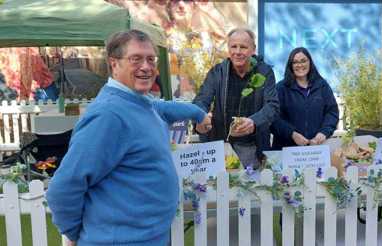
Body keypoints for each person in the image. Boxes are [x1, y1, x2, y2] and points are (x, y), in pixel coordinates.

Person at [46, 29, 212, 246]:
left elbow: (163, 107)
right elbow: (64, 187)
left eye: (151, 59)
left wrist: (197, 113)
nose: (146, 67)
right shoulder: (109, 115)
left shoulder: (139, 102)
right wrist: (76, 234)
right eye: (136, 59)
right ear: (114, 64)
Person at [193, 27, 280, 170]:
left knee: (255, 189)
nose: (238, 52)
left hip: (254, 148)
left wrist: (254, 121)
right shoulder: (218, 72)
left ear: (253, 49)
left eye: (243, 47)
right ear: (228, 48)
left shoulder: (265, 72)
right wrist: (200, 116)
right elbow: (202, 99)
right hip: (222, 147)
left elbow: (273, 106)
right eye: (234, 46)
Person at [271, 47, 339, 149]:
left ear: (310, 63)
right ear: (290, 65)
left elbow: (332, 112)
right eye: (295, 62)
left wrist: (323, 133)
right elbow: (272, 118)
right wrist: (292, 134)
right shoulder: (281, 88)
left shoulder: (322, 85)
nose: (300, 65)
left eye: (303, 61)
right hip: (287, 150)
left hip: (316, 149)